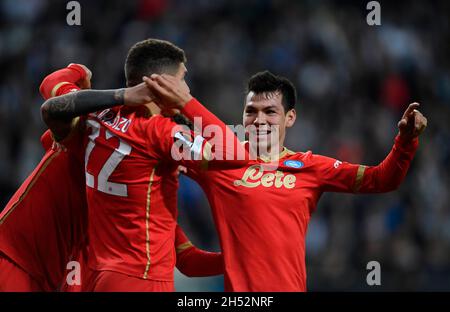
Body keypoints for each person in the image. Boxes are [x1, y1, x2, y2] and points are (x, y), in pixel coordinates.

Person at [184, 70, 427, 291]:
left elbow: (381, 179)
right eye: (251, 111)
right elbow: (155, 161)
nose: (259, 120)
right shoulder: (217, 161)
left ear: (289, 118)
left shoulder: (311, 167)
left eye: (270, 112)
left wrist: (405, 142)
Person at [40, 39, 246, 291]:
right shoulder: (159, 132)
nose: (187, 88)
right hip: (141, 279)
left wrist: (79, 72)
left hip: (98, 277)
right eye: (182, 79)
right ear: (161, 83)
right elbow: (234, 154)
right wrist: (187, 104)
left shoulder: (96, 116)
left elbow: (51, 91)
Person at [0, 63, 223, 291]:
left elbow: (187, 259)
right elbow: (52, 104)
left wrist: (79, 72)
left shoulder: (91, 125)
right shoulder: (88, 124)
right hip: (14, 258)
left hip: (43, 275)